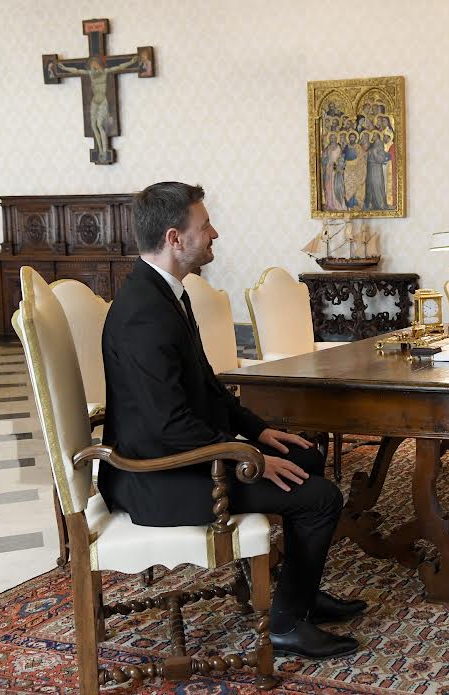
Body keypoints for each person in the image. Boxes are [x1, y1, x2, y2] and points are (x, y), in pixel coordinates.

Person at [99, 182, 362, 658]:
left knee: (306, 455)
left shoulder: (164, 295)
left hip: (179, 456)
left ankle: (300, 596)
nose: (214, 233)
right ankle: (285, 625)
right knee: (321, 498)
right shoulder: (143, 314)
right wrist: (249, 457)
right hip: (156, 478)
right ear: (175, 238)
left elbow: (209, 389)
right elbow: (168, 427)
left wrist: (258, 431)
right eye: (205, 226)